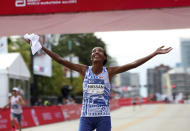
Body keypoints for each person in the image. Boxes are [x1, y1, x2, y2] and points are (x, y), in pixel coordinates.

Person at [25, 37, 172, 131]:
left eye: (99, 51)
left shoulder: (109, 72)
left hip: (103, 118)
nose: (95, 52)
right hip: (86, 118)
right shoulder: (83, 70)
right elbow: (60, 60)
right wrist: (42, 47)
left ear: (104, 57)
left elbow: (133, 64)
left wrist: (154, 53)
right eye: (93, 51)